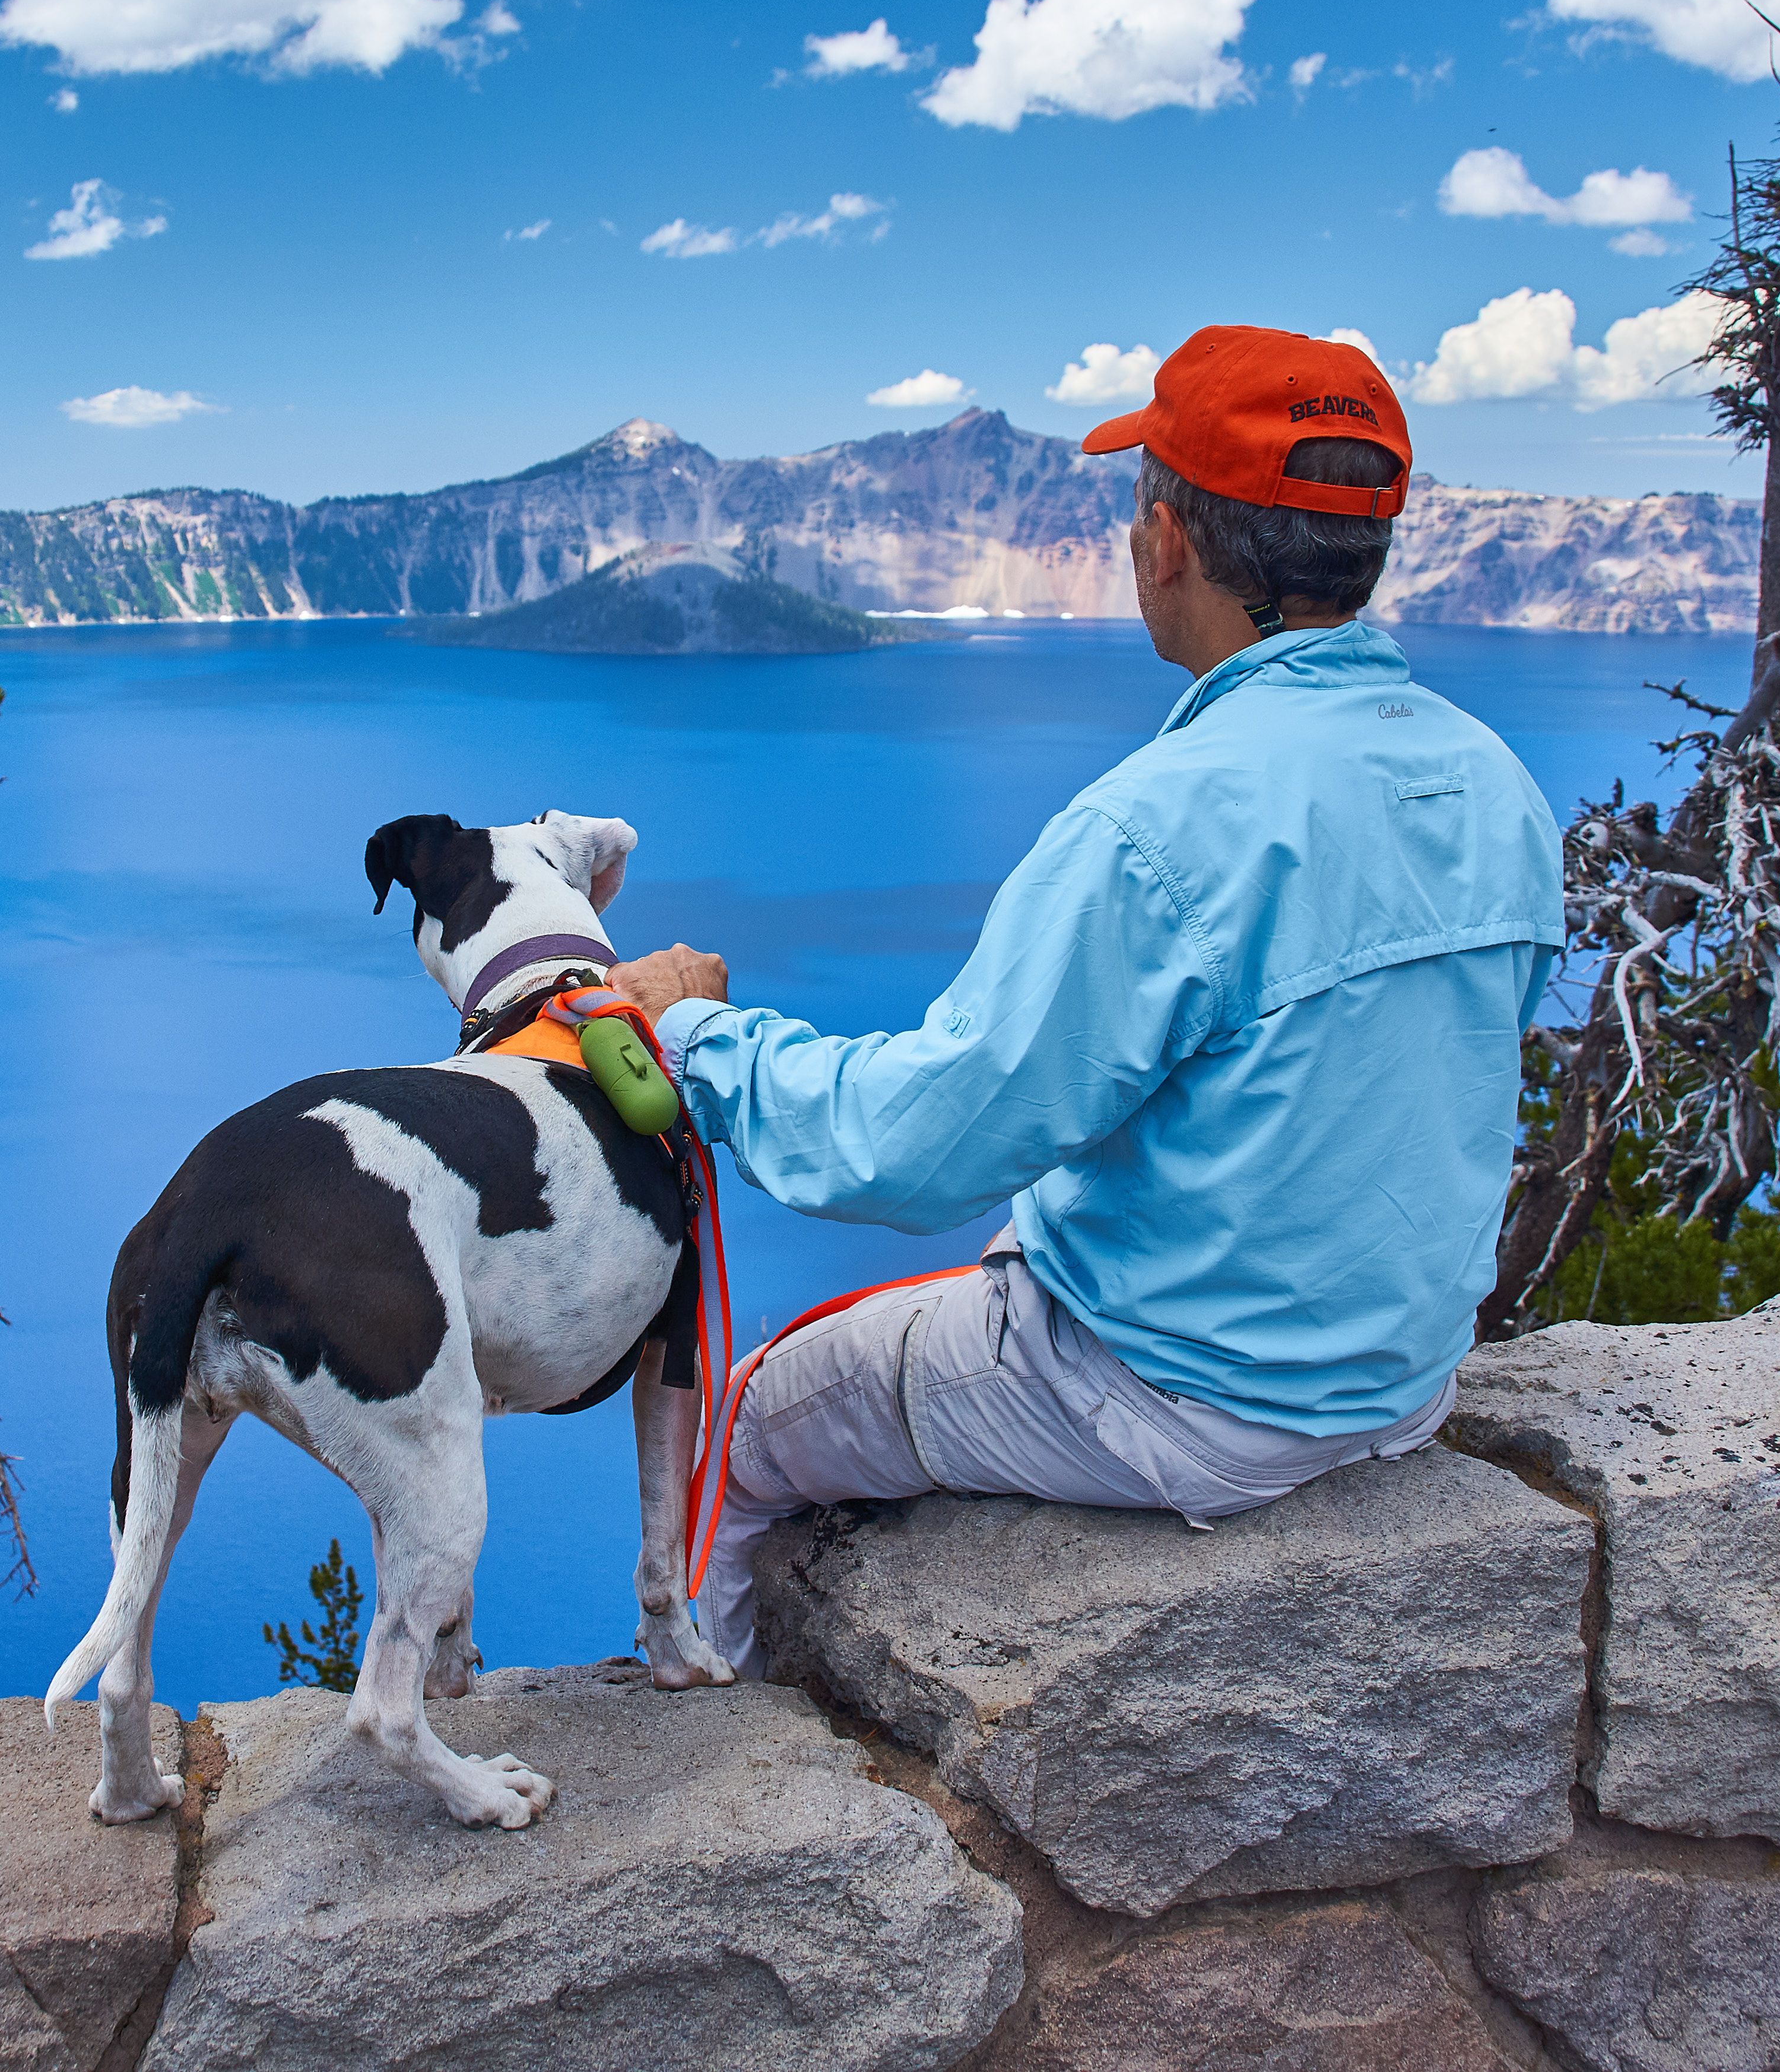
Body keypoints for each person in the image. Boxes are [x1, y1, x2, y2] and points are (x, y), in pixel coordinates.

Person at [608, 325, 1566, 1677]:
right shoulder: (1493, 784)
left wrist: (697, 1037)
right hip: (1394, 1384)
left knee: (751, 1416)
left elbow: (922, 1145)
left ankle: (718, 1743)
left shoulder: (1156, 828)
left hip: (1173, 1397)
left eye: (1135, 513)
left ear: (1164, 542)